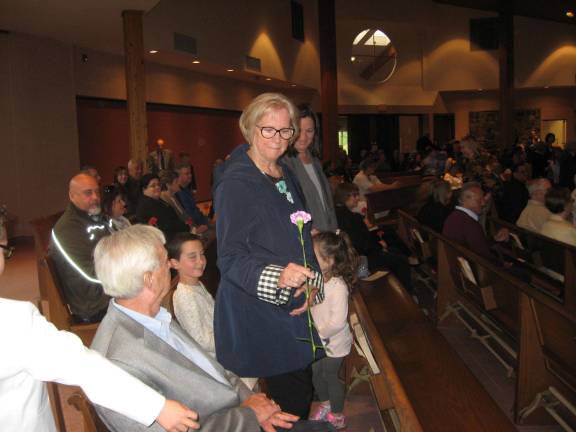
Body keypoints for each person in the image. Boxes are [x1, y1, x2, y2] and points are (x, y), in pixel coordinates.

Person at [91, 225, 333, 432]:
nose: (170, 267)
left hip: (236, 413)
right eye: (165, 262)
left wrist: (250, 398)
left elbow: (212, 368)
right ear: (148, 279)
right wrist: (248, 415)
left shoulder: (152, 315)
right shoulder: (117, 362)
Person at [0, 232, 199, 432]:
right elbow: (80, 364)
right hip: (92, 305)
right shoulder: (14, 320)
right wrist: (157, 408)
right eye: (4, 249)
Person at [213, 93, 326, 419]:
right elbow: (231, 257)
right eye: (268, 130)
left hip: (291, 301)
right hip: (260, 311)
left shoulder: (282, 171)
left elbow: (302, 233)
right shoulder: (236, 182)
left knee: (297, 392)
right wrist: (277, 277)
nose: (278, 139)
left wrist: (312, 282)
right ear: (249, 129)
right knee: (291, 402)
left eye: (285, 130)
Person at [309, 231, 357, 430]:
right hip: (317, 339)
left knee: (330, 377)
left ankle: (337, 414)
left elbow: (337, 323)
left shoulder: (338, 287)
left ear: (329, 261)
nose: (309, 259)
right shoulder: (317, 277)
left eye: (314, 256)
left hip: (334, 342)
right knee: (315, 373)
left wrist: (317, 335)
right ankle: (326, 403)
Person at [49, 173, 110, 322]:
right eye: (88, 193)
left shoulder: (93, 217)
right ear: (72, 196)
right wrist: (128, 274)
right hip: (93, 305)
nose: (95, 197)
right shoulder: (67, 229)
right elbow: (90, 276)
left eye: (97, 192)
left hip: (106, 290)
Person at [334, 182, 412, 290]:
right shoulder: (352, 218)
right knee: (400, 259)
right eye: (355, 195)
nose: (358, 198)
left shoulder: (336, 213)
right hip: (359, 259)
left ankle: (401, 277)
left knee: (389, 237)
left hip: (354, 254)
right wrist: (380, 246)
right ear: (345, 197)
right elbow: (363, 245)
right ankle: (407, 292)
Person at [282, 104, 337, 232]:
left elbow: (326, 204)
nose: (303, 137)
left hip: (327, 234)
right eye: (299, 130)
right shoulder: (284, 163)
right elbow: (287, 207)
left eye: (309, 131)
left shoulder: (315, 161)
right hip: (306, 236)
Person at [167, 233, 214, 356]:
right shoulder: (185, 297)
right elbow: (201, 340)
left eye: (202, 254)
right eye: (192, 257)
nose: (201, 261)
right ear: (175, 263)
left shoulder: (196, 284)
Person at [443, 182, 508, 260]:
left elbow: (475, 244)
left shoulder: (454, 216)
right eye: (479, 200)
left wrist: (494, 239)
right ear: (466, 200)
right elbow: (484, 257)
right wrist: (503, 265)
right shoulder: (469, 223)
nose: (483, 203)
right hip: (473, 267)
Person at [136, 174, 189, 241]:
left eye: (158, 184)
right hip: (167, 240)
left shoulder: (156, 200)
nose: (157, 187)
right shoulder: (147, 205)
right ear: (144, 189)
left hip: (175, 235)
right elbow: (166, 226)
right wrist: (186, 227)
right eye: (153, 186)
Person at [174, 163, 210, 233]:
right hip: (193, 229)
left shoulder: (187, 190)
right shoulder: (177, 193)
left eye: (190, 173)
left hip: (200, 225)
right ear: (178, 177)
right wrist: (197, 228)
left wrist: (207, 221)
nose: (190, 176)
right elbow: (188, 215)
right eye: (187, 174)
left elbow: (195, 210)